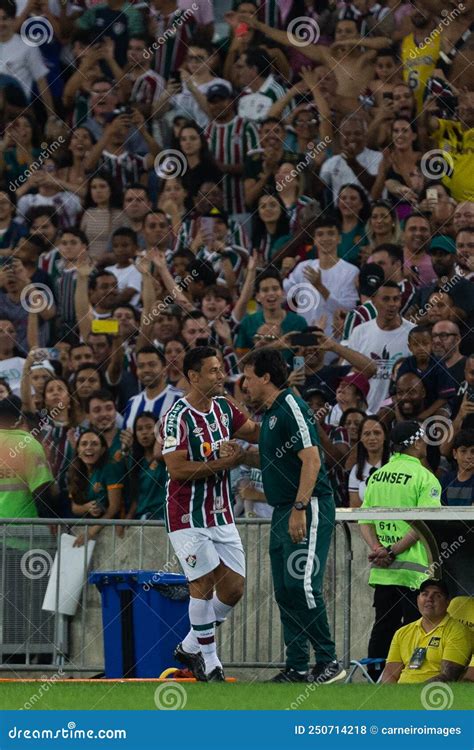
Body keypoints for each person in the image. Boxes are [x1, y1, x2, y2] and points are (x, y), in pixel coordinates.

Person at [242, 348, 345, 683]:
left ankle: (328, 661)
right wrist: (237, 459)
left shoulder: (291, 406)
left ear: (266, 377)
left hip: (308, 505)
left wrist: (301, 508)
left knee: (302, 584)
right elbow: (275, 462)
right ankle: (298, 665)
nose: (244, 384)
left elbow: (312, 460)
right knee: (286, 588)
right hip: (283, 508)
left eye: (248, 377)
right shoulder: (271, 415)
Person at [162, 346, 259, 681]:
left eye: (221, 370)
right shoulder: (178, 417)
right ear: (193, 376)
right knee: (201, 583)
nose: (221, 376)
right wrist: (224, 463)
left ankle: (191, 644)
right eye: (214, 371)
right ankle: (211, 661)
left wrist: (284, 419)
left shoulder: (224, 409)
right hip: (185, 515)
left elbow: (256, 432)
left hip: (220, 514)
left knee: (234, 589)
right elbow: (175, 469)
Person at [359, 421, 442, 679]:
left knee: (383, 627)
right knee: (418, 628)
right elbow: (424, 524)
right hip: (415, 572)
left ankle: (375, 677)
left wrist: (377, 549)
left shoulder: (377, 476)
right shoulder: (424, 477)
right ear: (416, 442)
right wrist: (393, 551)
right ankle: (413, 675)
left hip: (384, 571)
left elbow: (365, 520)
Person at [341, 281, 415, 413]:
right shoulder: (360, 332)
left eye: (396, 299)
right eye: (386, 299)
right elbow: (349, 373)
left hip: (398, 414)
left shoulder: (412, 333)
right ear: (374, 301)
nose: (392, 304)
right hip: (363, 414)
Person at [382, 579, 471, 684]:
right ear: (418, 599)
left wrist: (413, 694)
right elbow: (390, 673)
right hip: (400, 693)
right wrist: (392, 695)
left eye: (437, 595)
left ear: (448, 602)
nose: (429, 599)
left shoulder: (457, 631)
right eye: (425, 594)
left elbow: (448, 676)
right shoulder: (402, 632)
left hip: (432, 695)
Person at [0, 396, 54, 518]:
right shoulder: (29, 445)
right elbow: (41, 489)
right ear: (21, 419)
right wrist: (49, 519)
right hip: (24, 524)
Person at [69, 429, 122, 548]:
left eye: (94, 443)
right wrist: (86, 508)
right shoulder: (75, 471)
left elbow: (114, 508)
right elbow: (74, 507)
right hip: (83, 531)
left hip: (108, 533)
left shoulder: (110, 469)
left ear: (103, 450)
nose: (89, 447)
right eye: (84, 444)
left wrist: (92, 532)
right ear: (77, 450)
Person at [122, 347, 182, 430]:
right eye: (141, 366)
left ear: (164, 369)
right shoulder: (132, 402)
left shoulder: (180, 399)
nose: (146, 370)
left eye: (152, 365)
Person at [348, 416, 390, 507]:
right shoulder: (356, 470)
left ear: (385, 436)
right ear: (361, 438)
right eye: (367, 434)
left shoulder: (396, 464)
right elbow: (355, 508)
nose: (372, 438)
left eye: (377, 433)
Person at [440, 430, 474, 507]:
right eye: (463, 451)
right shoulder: (445, 479)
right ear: (455, 454)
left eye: (473, 451)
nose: (468, 456)